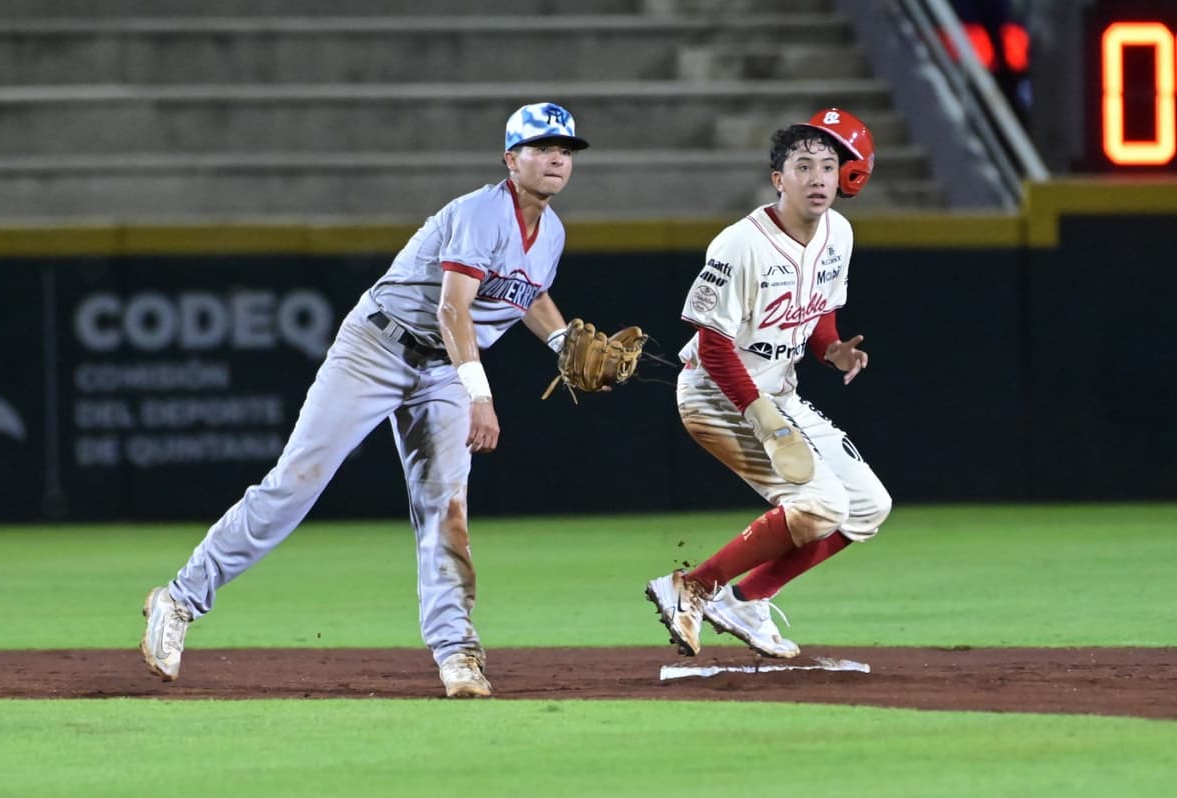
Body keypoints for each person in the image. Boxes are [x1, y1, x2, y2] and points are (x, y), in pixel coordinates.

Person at [141, 102, 592, 698]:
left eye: (566, 149)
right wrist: (479, 395)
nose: (558, 157)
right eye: (543, 147)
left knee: (446, 510)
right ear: (512, 160)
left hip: (442, 368)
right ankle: (178, 600)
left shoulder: (551, 232)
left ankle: (457, 651)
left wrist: (562, 341)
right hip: (379, 346)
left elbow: (528, 293)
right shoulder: (483, 212)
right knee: (296, 480)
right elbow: (452, 308)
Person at [645, 108, 892, 658]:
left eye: (829, 165)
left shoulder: (838, 233)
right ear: (779, 179)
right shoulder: (741, 244)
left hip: (778, 393)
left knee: (868, 506)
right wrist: (764, 420)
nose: (818, 177)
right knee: (822, 504)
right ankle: (693, 588)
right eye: (803, 166)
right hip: (716, 395)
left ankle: (744, 600)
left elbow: (822, 308)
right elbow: (714, 345)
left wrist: (829, 347)